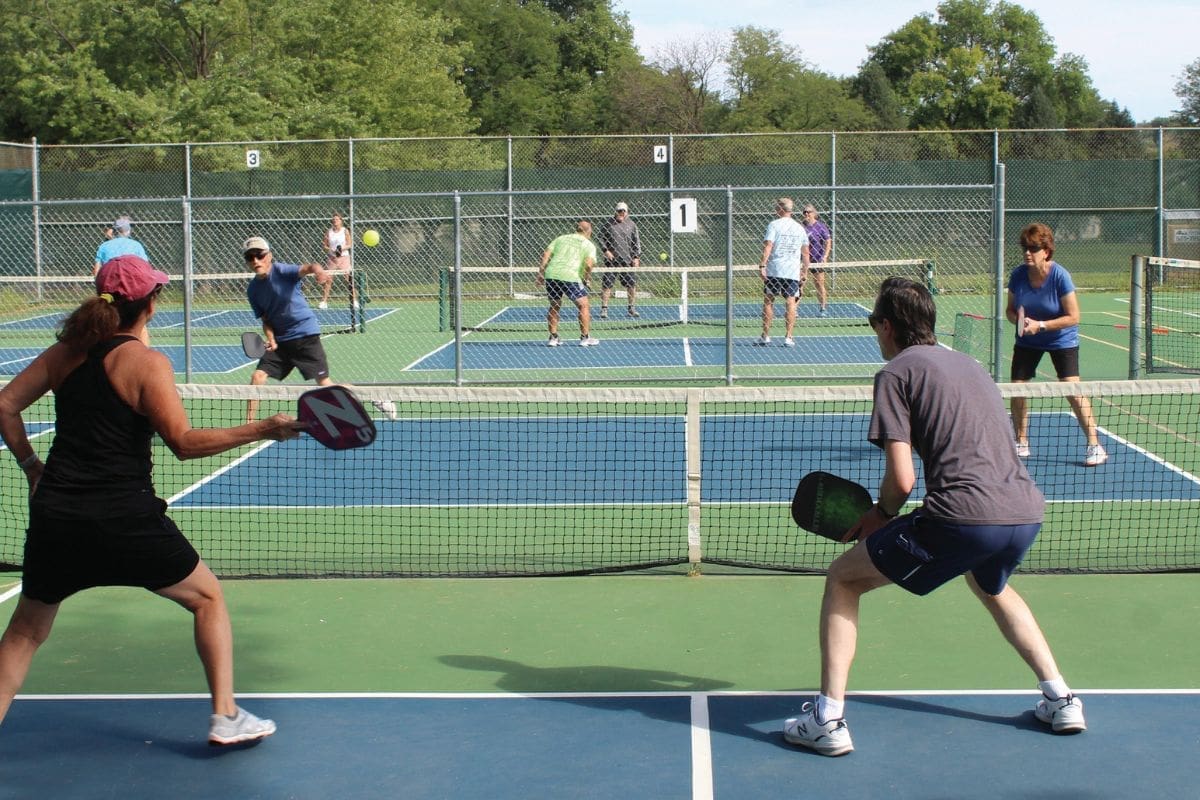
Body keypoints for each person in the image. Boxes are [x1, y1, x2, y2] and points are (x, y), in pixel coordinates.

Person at [781, 276, 1086, 757]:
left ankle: (826, 719)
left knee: (843, 579)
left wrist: (881, 515)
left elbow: (901, 481)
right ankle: (1062, 698)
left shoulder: (896, 374)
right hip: (1025, 509)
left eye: (873, 325)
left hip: (961, 516)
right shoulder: (971, 366)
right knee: (992, 586)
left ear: (886, 326)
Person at [0, 254, 298, 743]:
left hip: (57, 515)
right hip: (124, 517)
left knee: (25, 633)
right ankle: (225, 716)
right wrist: (265, 427)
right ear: (150, 304)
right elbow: (183, 443)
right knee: (207, 598)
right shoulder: (145, 363)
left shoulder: (65, 353)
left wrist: (33, 468)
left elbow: (5, 405)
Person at [1006, 223, 1107, 467]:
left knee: (1072, 389)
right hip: (1027, 340)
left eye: (1033, 248)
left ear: (1046, 251)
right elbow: (1010, 310)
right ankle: (1021, 441)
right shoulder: (1018, 275)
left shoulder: (1060, 276)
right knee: (1017, 388)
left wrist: (1040, 325)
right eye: (1025, 248)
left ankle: (1095, 445)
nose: (1027, 253)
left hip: (1061, 338)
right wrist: (1020, 322)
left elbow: (1073, 316)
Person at [755, 198, 810, 347]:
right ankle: (788, 337)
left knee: (769, 300)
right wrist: (804, 271)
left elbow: (768, 246)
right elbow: (805, 253)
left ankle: (766, 335)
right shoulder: (800, 228)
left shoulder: (773, 225)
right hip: (792, 270)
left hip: (775, 268)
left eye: (776, 207)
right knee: (790, 301)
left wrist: (762, 265)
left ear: (780, 209)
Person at [536, 220, 599, 347]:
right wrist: (586, 278)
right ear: (588, 231)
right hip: (571, 276)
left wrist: (541, 273)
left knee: (554, 305)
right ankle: (585, 338)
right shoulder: (589, 245)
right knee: (584, 305)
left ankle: (553, 338)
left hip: (552, 274)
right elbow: (588, 264)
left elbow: (546, 254)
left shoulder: (561, 238)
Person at [598, 201, 642, 319]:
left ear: (627, 212)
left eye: (623, 211)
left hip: (627, 260)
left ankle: (631, 308)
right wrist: (606, 250)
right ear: (615, 211)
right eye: (619, 211)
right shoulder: (608, 224)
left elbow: (636, 242)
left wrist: (636, 257)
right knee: (607, 285)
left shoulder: (632, 225)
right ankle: (604, 309)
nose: (621, 213)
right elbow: (600, 238)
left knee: (631, 284)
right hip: (612, 261)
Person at [319, 212, 358, 311]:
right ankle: (324, 302)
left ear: (341, 221)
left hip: (344, 258)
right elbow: (324, 245)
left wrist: (341, 249)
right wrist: (331, 250)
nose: (335, 221)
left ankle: (354, 301)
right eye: (334, 219)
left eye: (337, 219)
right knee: (328, 280)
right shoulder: (329, 232)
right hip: (332, 258)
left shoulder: (345, 231)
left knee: (348, 279)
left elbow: (349, 244)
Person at [801, 204, 832, 316]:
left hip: (817, 258)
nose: (806, 214)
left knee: (819, 283)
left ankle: (823, 308)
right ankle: (794, 309)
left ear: (814, 213)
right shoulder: (801, 226)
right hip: (802, 259)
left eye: (808, 212)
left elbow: (828, 241)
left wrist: (825, 256)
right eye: (804, 212)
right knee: (800, 283)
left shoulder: (821, 226)